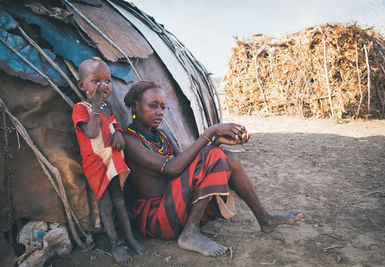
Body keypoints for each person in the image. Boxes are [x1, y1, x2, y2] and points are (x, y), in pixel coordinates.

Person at [123, 81, 303, 257]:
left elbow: (188, 164)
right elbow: (172, 168)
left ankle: (265, 218)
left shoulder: (162, 134)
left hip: (176, 206)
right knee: (213, 154)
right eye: (153, 106)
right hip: (159, 218)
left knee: (227, 158)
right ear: (135, 106)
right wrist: (210, 132)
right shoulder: (130, 141)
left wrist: (216, 143)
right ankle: (190, 233)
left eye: (163, 107)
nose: (160, 112)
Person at [71, 57, 145, 265]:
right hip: (95, 164)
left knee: (120, 201)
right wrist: (95, 105)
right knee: (106, 204)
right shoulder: (81, 109)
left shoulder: (109, 107)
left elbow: (114, 126)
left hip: (112, 160)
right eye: (96, 81)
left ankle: (129, 237)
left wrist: (119, 134)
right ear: (82, 85)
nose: (103, 86)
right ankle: (115, 244)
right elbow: (92, 131)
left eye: (108, 81)